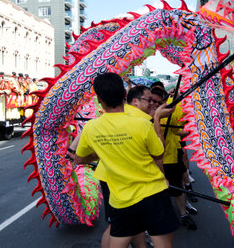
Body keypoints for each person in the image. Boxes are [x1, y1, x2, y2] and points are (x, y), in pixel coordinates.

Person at [68, 73, 179, 248]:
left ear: (99, 99)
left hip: (121, 199)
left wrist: (102, 151)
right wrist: (157, 119)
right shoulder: (142, 124)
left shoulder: (91, 128)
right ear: (124, 96)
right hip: (153, 194)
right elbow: (158, 154)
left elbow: (79, 159)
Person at [150, 86, 198, 230]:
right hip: (150, 161)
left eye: (159, 103)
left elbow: (179, 131)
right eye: (153, 102)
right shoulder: (141, 116)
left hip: (169, 157)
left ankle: (183, 214)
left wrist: (194, 131)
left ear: (164, 101)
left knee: (177, 187)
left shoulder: (170, 112)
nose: (155, 105)